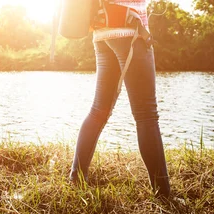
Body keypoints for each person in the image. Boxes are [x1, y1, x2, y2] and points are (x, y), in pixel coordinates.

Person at [69, 0, 171, 197]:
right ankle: (163, 193)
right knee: (146, 115)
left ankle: (77, 178)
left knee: (98, 111)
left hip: (102, 32)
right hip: (129, 30)